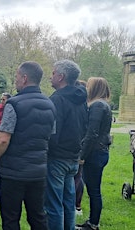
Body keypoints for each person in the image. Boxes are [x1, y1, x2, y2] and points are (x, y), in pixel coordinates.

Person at [0, 61, 56, 230]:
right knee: (37, 216)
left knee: (11, 218)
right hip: (38, 171)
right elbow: (49, 136)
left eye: (16, 76)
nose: (15, 80)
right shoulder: (50, 105)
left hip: (13, 172)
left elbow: (3, 139)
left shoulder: (14, 104)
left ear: (24, 78)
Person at [44, 60, 88, 230]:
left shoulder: (57, 99)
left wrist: (48, 149)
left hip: (57, 157)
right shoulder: (81, 98)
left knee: (53, 204)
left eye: (53, 73)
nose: (50, 76)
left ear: (61, 76)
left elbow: (52, 131)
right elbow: (85, 126)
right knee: (68, 202)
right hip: (73, 157)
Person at [76, 77, 112, 230]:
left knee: (94, 190)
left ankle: (93, 224)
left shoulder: (97, 105)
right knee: (93, 189)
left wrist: (82, 156)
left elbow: (92, 133)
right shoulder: (105, 105)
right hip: (100, 151)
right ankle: (92, 222)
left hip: (95, 153)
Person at [75, 79, 88, 217]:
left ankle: (76, 205)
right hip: (80, 145)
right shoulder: (86, 106)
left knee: (77, 177)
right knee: (78, 176)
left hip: (77, 146)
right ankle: (77, 205)